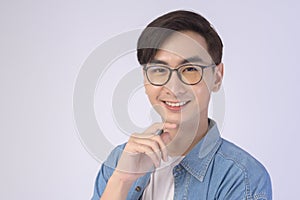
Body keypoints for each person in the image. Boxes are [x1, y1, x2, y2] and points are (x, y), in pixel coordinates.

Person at [91, 10, 272, 200]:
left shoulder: (242, 177)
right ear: (145, 79)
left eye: (190, 69)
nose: (174, 87)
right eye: (160, 70)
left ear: (217, 77)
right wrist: (121, 180)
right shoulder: (119, 161)